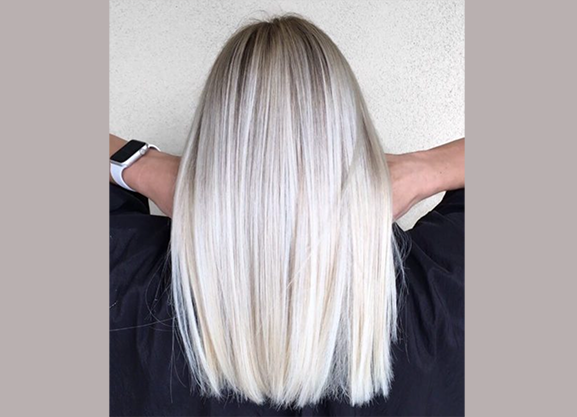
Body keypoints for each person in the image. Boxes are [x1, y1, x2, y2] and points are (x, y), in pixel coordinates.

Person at [110, 15, 464, 417]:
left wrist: (146, 167)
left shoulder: (125, 288)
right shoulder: (442, 299)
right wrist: (421, 169)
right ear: (355, 141)